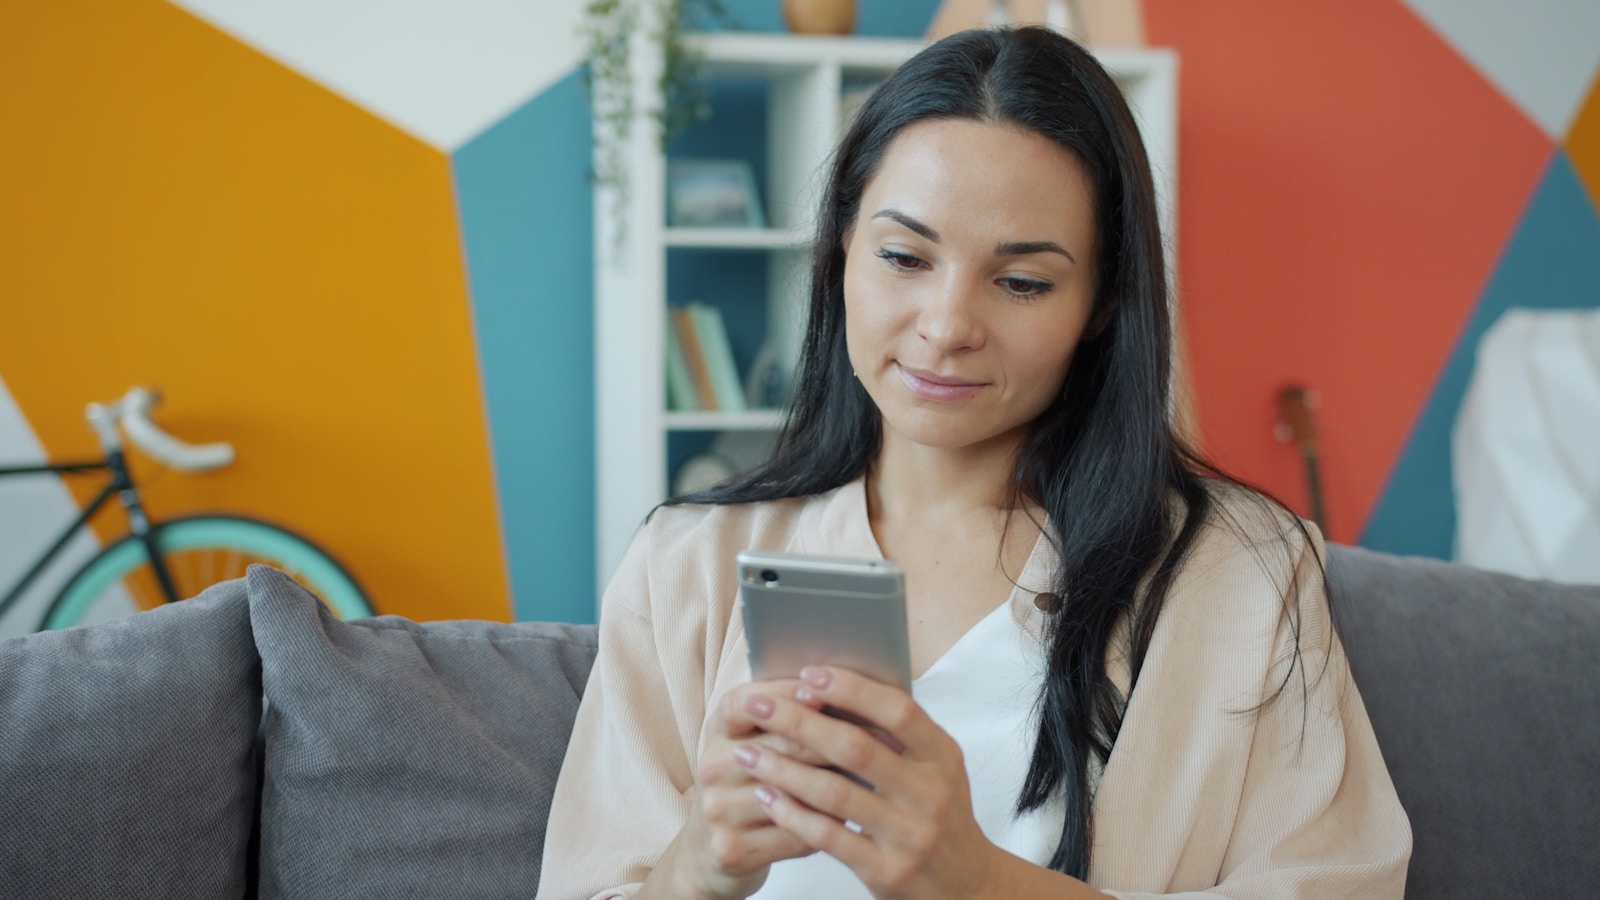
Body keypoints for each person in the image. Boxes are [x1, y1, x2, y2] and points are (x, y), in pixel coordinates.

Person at [537, 25, 1411, 900]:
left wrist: (977, 882)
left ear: (1102, 302)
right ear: (840, 248)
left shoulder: (1244, 572)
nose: (948, 324)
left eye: (1023, 282)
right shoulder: (685, 563)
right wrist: (697, 865)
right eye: (904, 257)